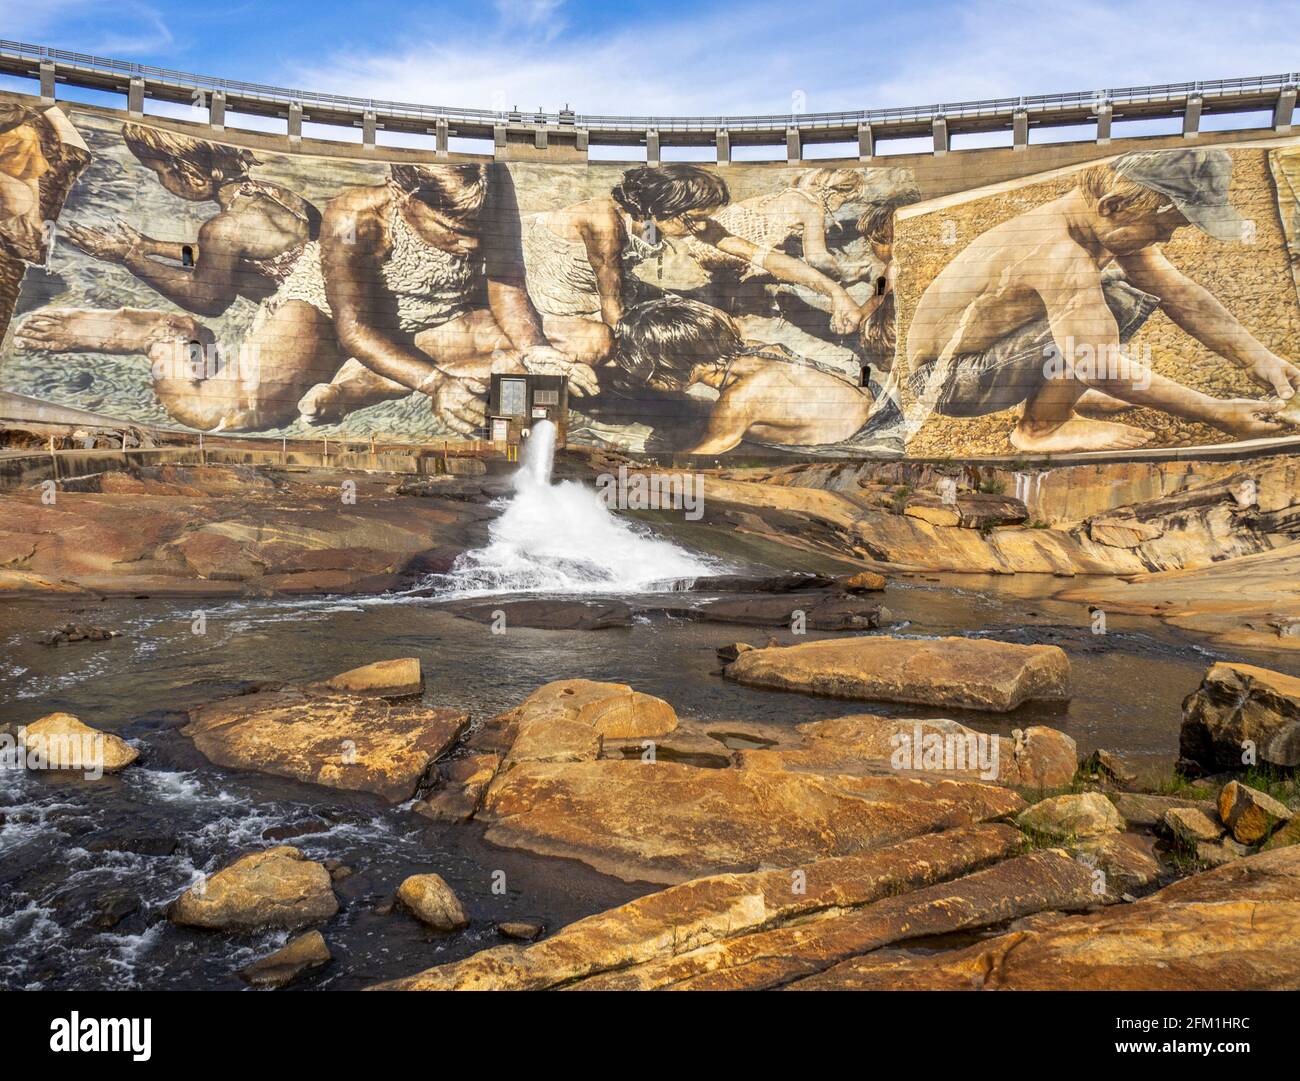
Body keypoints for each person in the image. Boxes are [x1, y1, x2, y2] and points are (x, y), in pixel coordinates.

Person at [905, 147, 1300, 452]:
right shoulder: (1057, 252)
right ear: (1112, 206)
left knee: (1106, 300)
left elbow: (1180, 294)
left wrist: (1256, 357)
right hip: (947, 382)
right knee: (1114, 302)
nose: (1164, 239)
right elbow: (1095, 362)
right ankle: (1042, 427)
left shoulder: (1096, 227)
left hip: (979, 359)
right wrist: (1215, 411)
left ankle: (1053, 392)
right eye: (1162, 227)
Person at [518, 164, 864, 368]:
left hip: (607, 289)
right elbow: (612, 305)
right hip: (557, 298)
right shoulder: (602, 221)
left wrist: (835, 292)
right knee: (606, 342)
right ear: (666, 207)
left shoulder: (652, 218)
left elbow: (761, 256)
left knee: (702, 324)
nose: (701, 228)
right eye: (695, 219)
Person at [58, 122, 320, 316]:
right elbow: (217, 258)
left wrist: (131, 259)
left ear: (186, 171)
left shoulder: (224, 228)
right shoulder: (275, 195)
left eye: (158, 172)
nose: (161, 182)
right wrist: (150, 247)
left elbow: (208, 300)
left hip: (305, 322)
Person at [612, 296, 874, 454]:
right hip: (868, 402)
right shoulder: (758, 348)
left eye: (650, 376)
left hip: (865, 438)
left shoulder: (736, 402)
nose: (649, 384)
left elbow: (692, 465)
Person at [0, 104, 53, 262]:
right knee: (18, 202)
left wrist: (34, 217)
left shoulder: (24, 134)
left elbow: (30, 173)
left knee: (20, 202)